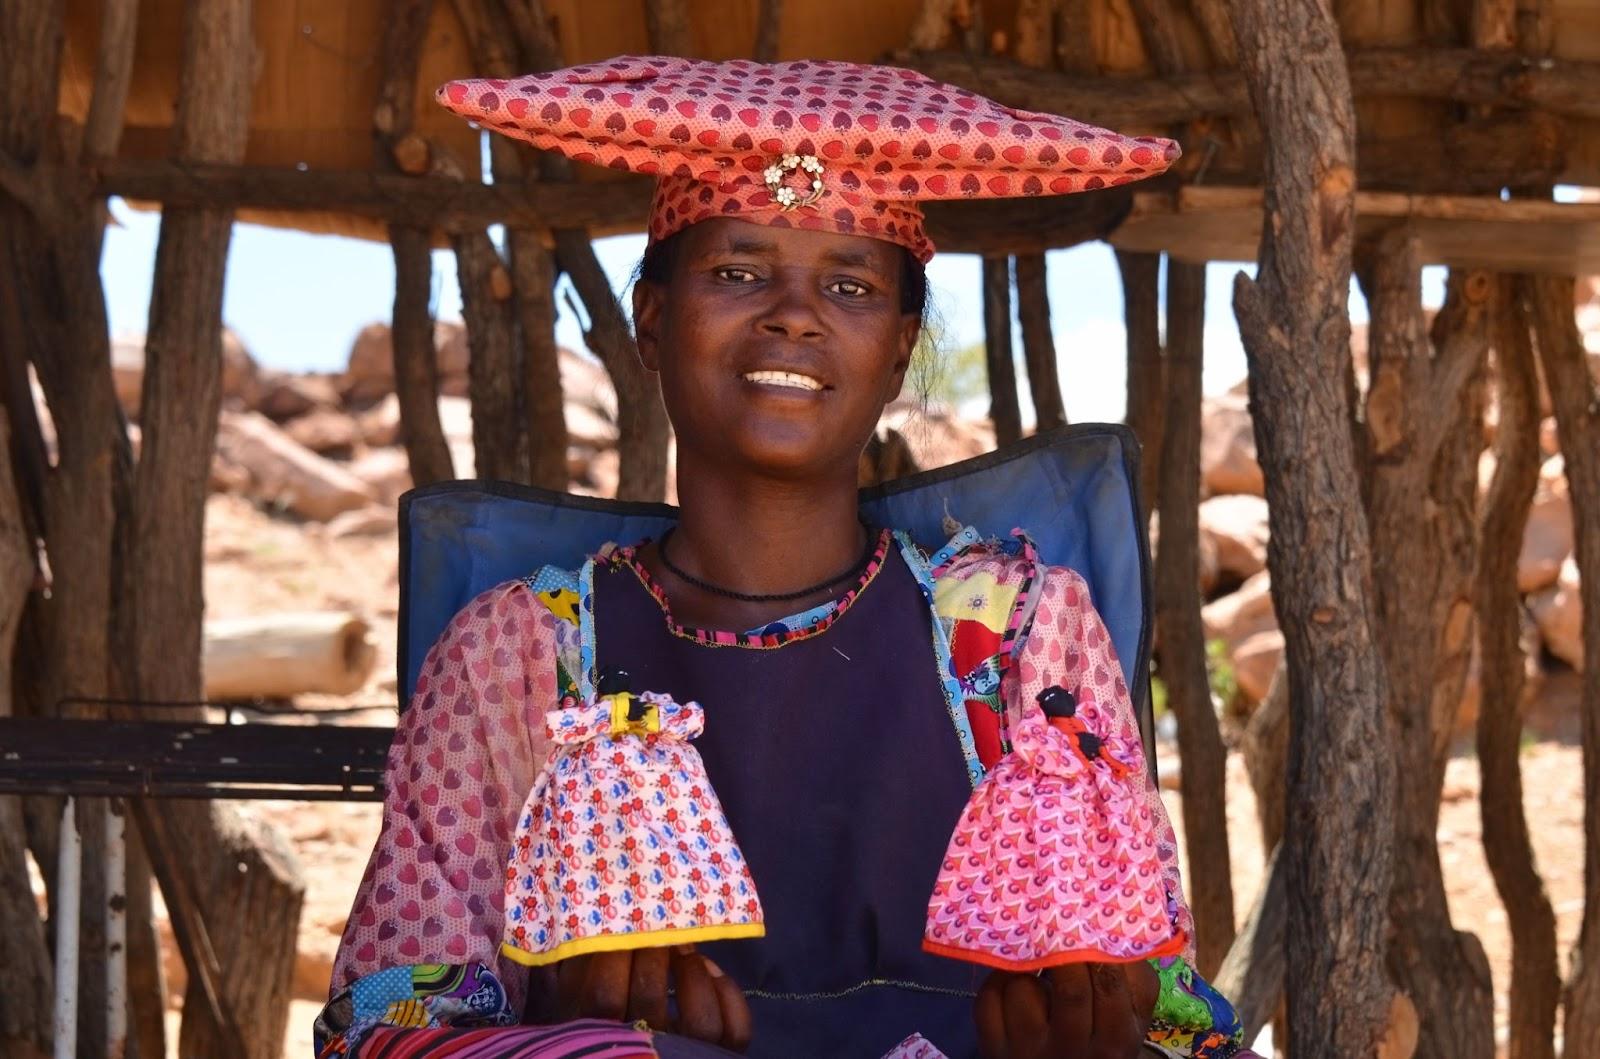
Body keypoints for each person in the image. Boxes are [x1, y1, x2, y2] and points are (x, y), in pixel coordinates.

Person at [316, 55, 1258, 1059]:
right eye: (737, 271)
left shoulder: (1019, 632)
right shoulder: (517, 654)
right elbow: (382, 1019)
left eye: (847, 285)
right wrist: (568, 1027)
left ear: (897, 351)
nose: (792, 315)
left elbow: (1167, 1012)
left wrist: (1095, 1039)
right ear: (650, 320)